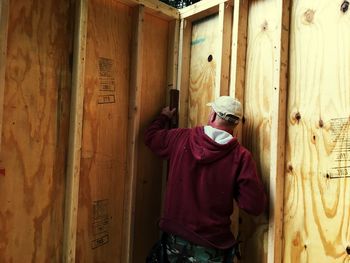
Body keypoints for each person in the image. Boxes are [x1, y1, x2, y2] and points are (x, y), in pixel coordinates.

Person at [144, 96, 267, 263]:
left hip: (174, 245)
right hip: (211, 249)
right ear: (235, 125)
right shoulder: (241, 157)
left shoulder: (181, 138)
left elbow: (151, 137)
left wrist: (164, 117)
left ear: (213, 115)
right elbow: (254, 206)